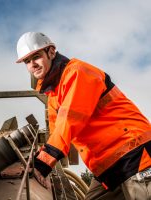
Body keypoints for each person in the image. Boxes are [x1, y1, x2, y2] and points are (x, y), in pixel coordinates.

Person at [16, 32, 151, 200]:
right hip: (107, 165)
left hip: (134, 152)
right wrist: (40, 166)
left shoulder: (77, 72)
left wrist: (42, 166)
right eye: (27, 61)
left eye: (36, 57)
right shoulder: (53, 95)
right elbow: (57, 134)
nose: (32, 65)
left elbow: (69, 122)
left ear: (51, 52)